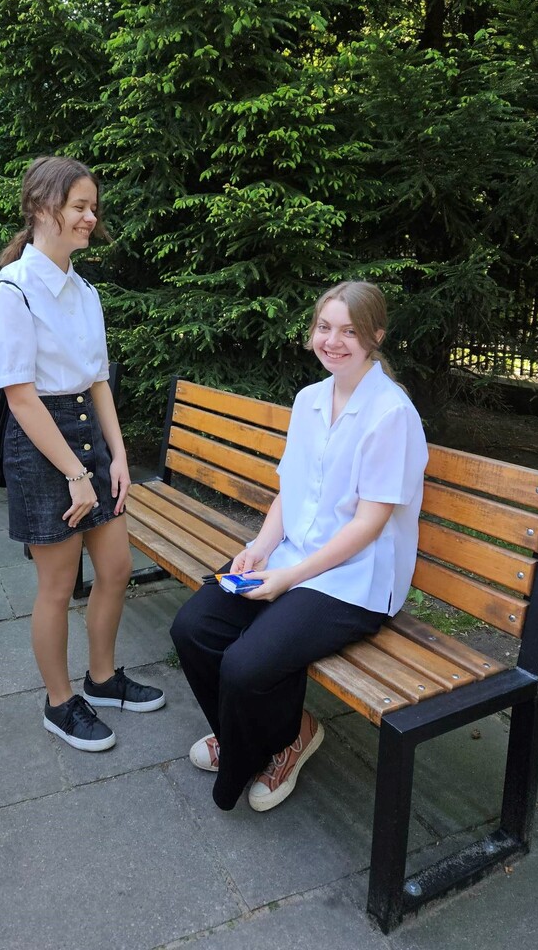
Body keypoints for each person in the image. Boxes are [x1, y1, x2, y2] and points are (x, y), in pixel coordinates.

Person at [170, 281, 428, 811]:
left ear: (376, 337)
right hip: (292, 557)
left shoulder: (391, 413)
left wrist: (289, 577)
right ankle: (258, 735)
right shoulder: (309, 399)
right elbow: (290, 490)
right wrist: (262, 549)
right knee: (193, 628)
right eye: (325, 327)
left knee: (245, 665)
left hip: (354, 578)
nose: (333, 341)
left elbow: (370, 524)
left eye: (350, 331)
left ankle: (279, 742)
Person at [0, 156, 165, 752]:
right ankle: (60, 703)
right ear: (42, 207)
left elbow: (98, 381)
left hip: (89, 435)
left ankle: (103, 680)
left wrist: (117, 456)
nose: (91, 217)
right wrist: (75, 473)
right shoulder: (11, 291)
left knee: (116, 568)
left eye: (93, 207)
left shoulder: (85, 291)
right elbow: (20, 397)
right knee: (58, 586)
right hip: (42, 444)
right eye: (79, 206)